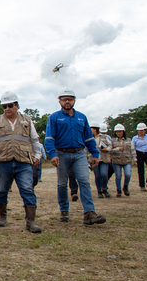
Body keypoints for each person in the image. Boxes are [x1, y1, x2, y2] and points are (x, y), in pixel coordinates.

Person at [44, 88, 106, 225]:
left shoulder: (82, 117)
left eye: (70, 99)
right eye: (64, 99)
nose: (67, 101)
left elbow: (89, 138)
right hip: (61, 153)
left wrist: (95, 154)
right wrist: (52, 154)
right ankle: (64, 210)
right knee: (62, 184)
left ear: (74, 101)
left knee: (84, 181)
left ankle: (89, 213)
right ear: (59, 101)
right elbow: (49, 138)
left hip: (79, 153)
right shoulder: (54, 117)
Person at [0, 91, 42, 233]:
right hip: (3, 162)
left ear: (17, 105)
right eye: (4, 106)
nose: (7, 109)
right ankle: (2, 216)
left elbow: (35, 140)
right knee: (2, 190)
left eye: (10, 105)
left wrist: (37, 155)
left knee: (27, 190)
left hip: (23, 162)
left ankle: (31, 221)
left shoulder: (27, 121)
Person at [111, 124, 135, 197]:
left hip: (127, 160)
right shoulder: (112, 141)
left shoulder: (128, 140)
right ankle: (118, 190)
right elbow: (109, 150)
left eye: (120, 132)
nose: (118, 133)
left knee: (128, 174)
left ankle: (125, 186)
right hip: (116, 160)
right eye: (117, 132)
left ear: (123, 132)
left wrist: (135, 159)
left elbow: (132, 150)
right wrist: (117, 149)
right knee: (118, 176)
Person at [132, 123, 147, 191]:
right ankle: (142, 186)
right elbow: (132, 147)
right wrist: (134, 157)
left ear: (145, 130)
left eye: (141, 130)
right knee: (141, 170)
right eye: (139, 130)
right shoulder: (135, 138)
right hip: (139, 154)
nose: (140, 132)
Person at [92, 124, 113, 198]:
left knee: (104, 174)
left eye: (91, 129)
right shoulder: (89, 138)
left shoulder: (103, 137)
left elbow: (110, 145)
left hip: (103, 159)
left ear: (95, 129)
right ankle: (99, 191)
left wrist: (107, 149)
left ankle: (104, 188)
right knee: (97, 176)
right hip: (94, 159)